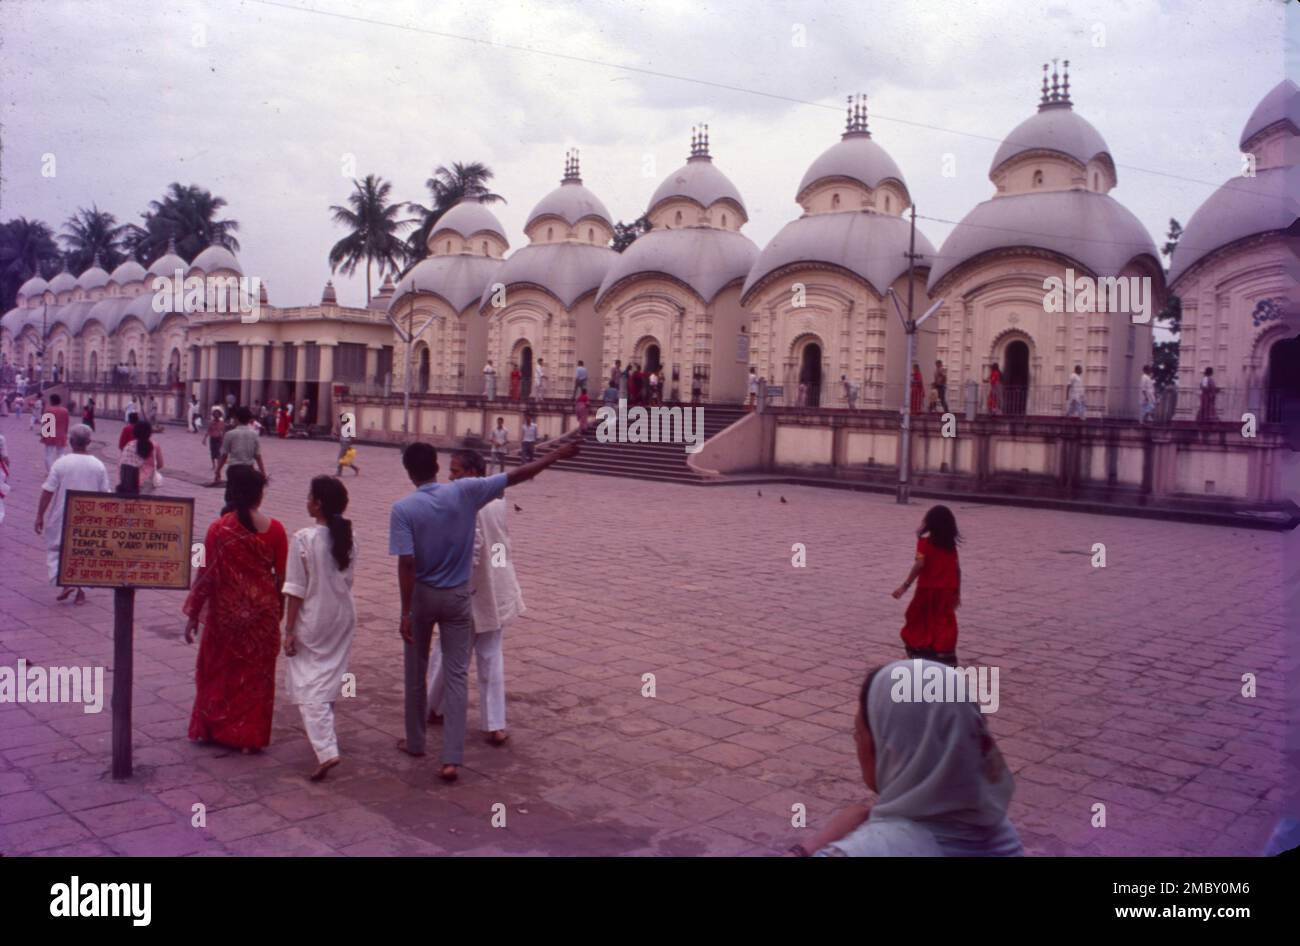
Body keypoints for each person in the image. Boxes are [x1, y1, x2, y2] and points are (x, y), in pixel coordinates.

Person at [390, 436, 580, 781]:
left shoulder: (457, 502)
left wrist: (408, 609)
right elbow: (521, 474)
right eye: (449, 471)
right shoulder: (488, 499)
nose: (453, 477)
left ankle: (427, 725)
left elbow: (417, 560)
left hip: (462, 589)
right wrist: (557, 455)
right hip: (488, 589)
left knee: (442, 661)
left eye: (458, 471)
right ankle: (475, 735)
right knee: (475, 660)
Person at [789, 661, 1023, 857]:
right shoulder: (1000, 831)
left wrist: (811, 847)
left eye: (859, 733)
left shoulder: (872, 849)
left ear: (889, 747)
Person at [184, 466, 287, 753]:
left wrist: (193, 615)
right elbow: (282, 578)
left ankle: (217, 729)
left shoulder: (218, 529)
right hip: (262, 613)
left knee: (218, 670)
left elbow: (205, 576)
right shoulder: (276, 529)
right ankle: (248, 737)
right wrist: (278, 612)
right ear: (259, 495)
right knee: (256, 677)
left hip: (226, 613)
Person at [425, 450, 522, 746]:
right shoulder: (497, 500)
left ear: (471, 473)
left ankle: (434, 706)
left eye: (455, 471)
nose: (450, 477)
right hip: (497, 585)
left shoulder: (467, 503)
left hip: (470, 589)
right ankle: (493, 724)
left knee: (450, 652)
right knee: (489, 655)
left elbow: (472, 549)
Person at [282, 476, 357, 781]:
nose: (307, 501)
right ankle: (324, 733)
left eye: (310, 497)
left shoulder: (303, 538)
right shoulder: (350, 536)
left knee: (306, 683)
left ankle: (326, 750)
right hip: (343, 615)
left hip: (314, 616)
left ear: (320, 504)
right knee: (328, 675)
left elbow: (296, 589)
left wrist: (289, 630)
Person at [35, 424, 110, 606]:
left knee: (59, 549)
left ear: (70, 442)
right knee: (86, 553)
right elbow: (105, 495)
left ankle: (65, 582)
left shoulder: (61, 463)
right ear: (89, 442)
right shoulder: (98, 465)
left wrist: (39, 515)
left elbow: (48, 491)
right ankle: (81, 592)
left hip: (62, 514)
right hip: (90, 516)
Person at [892, 505, 961, 666]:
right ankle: (943, 650)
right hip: (947, 589)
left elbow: (920, 564)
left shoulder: (924, 543)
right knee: (944, 620)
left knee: (917, 617)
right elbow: (957, 569)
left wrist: (905, 585)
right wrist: (957, 593)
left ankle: (921, 647)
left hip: (927, 588)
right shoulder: (951, 546)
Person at [214, 406, 266, 484]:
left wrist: (218, 470)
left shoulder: (229, 434)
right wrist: (263, 473)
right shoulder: (254, 434)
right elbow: (258, 456)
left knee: (233, 494)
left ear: (236, 419)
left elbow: (224, 455)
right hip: (249, 470)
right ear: (249, 420)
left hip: (234, 470)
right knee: (246, 494)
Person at [119, 420, 164, 494]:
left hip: (129, 481)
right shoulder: (154, 445)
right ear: (150, 433)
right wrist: (149, 467)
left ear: (135, 432)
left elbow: (123, 463)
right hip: (147, 481)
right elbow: (160, 465)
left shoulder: (129, 445)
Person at [40, 393, 71, 472]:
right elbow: (67, 423)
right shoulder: (65, 411)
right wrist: (65, 433)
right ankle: (62, 470)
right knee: (61, 453)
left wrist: (43, 435)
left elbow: (45, 424)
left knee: (48, 454)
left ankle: (50, 472)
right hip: (61, 434)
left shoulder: (48, 410)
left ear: (52, 401)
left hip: (50, 433)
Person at [202, 408, 225, 476]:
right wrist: (205, 438)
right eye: (215, 414)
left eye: (218, 414)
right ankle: (213, 465)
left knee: (218, 452)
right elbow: (208, 431)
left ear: (220, 415)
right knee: (212, 451)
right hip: (212, 439)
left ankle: (218, 465)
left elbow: (223, 431)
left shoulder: (221, 423)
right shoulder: (211, 422)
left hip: (219, 439)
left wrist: (223, 440)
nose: (216, 415)